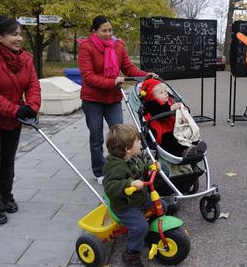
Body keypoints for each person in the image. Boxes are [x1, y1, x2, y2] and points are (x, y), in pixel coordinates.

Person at [0, 16, 41, 224]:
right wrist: (15, 110)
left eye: (20, 34)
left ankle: (5, 196)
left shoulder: (26, 59)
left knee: (7, 162)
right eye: (14, 34)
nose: (19, 38)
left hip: (11, 120)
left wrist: (31, 107)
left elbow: (33, 85)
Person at [78, 15, 158, 185]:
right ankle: (99, 171)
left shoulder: (118, 46)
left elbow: (128, 67)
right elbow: (88, 76)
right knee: (97, 136)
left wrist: (146, 75)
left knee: (120, 135)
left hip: (113, 98)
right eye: (104, 31)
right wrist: (111, 81)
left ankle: (121, 168)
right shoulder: (87, 47)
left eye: (110, 30)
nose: (108, 34)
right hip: (92, 99)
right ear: (95, 31)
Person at [102, 124, 166, 267]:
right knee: (139, 226)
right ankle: (131, 254)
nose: (141, 143)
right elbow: (110, 187)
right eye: (138, 141)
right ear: (128, 149)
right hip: (125, 206)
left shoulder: (134, 157)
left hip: (139, 199)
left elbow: (142, 166)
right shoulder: (116, 167)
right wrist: (128, 184)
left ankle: (150, 233)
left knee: (162, 205)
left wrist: (151, 167)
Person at [140, 78, 206, 158]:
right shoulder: (151, 104)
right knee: (171, 138)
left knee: (187, 133)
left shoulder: (170, 101)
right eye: (161, 92)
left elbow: (181, 109)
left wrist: (184, 109)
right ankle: (184, 151)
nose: (165, 93)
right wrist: (171, 108)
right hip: (163, 131)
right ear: (152, 96)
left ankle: (197, 144)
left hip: (176, 128)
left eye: (165, 91)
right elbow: (159, 112)